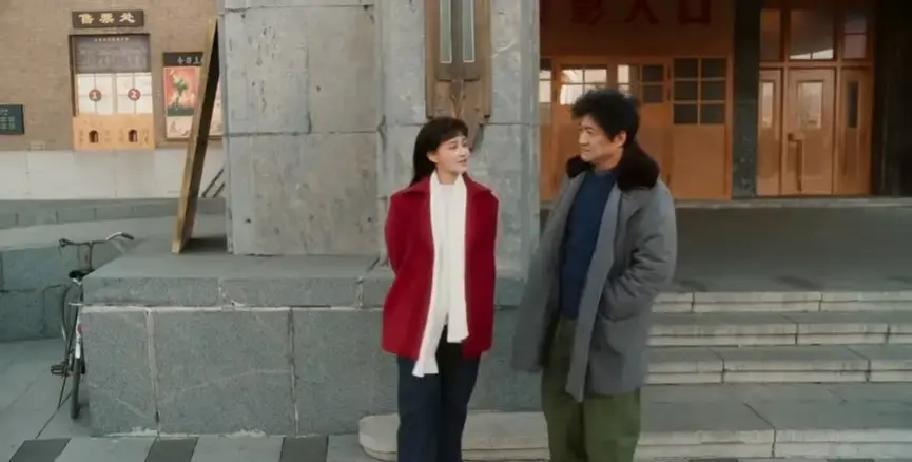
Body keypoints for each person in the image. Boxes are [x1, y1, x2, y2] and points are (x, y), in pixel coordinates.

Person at [511, 89, 677, 462]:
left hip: (606, 331)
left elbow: (655, 267)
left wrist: (605, 305)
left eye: (591, 132)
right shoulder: (578, 180)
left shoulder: (647, 192)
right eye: (581, 131)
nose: (582, 140)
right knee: (563, 433)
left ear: (619, 138)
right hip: (564, 327)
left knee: (608, 440)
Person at [382, 116, 499, 462]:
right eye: (453, 146)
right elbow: (400, 260)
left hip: (464, 327)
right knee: (417, 416)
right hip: (419, 323)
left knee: (453, 415)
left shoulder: (485, 202)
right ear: (433, 155)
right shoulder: (405, 203)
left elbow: (482, 264)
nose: (463, 152)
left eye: (464, 144)